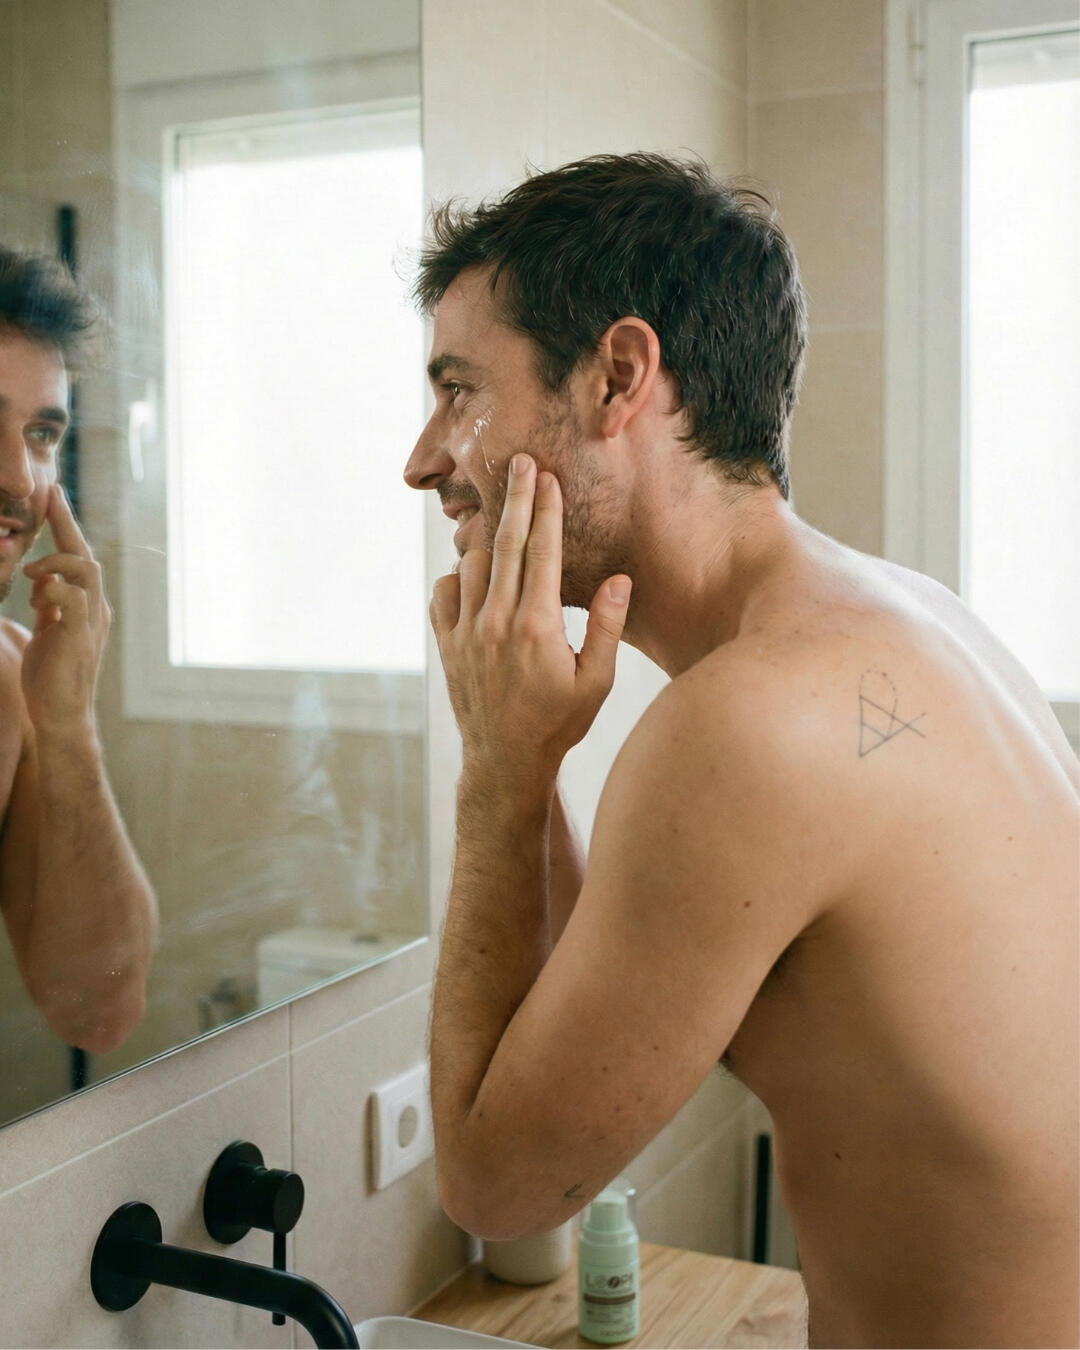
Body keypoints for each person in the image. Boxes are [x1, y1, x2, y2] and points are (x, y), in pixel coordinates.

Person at [402, 154, 1079, 1348]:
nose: (423, 460)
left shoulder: (751, 729)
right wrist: (522, 759)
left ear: (619, 376)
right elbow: (580, 1011)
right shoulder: (897, 617)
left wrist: (498, 779)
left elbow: (496, 1186)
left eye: (460, 391)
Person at [0, 247, 156, 1055]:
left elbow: (99, 1013)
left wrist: (67, 730)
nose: (20, 479)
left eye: (40, 433)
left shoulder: (10, 679)